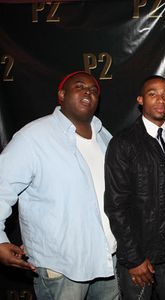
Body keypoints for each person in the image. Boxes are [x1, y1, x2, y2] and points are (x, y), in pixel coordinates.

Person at [0, 71, 119, 299]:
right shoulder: (33, 137)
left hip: (107, 260)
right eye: (80, 86)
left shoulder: (106, 138)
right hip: (62, 267)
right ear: (61, 95)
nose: (88, 91)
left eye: (94, 90)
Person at [104, 75, 165, 300]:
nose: (160, 99)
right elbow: (116, 206)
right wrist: (133, 258)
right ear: (140, 100)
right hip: (141, 252)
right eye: (152, 94)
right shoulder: (123, 143)